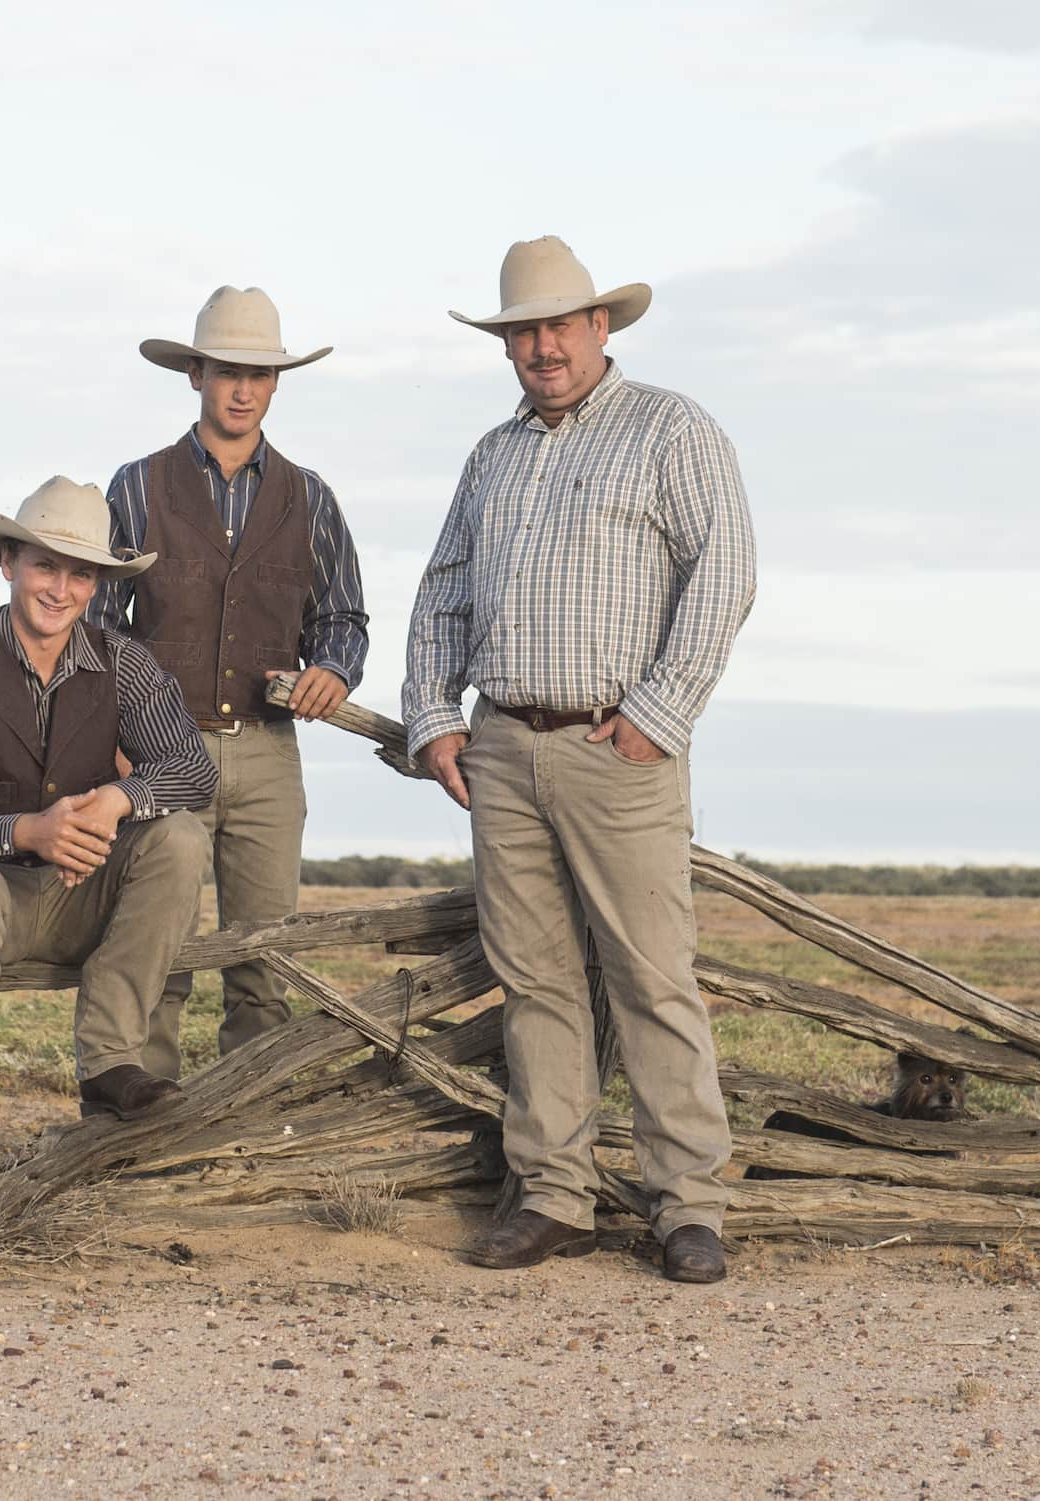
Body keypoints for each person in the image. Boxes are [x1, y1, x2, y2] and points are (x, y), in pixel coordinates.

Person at [402, 236, 756, 1283]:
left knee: (652, 977)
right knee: (536, 981)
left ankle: (688, 1204)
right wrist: (433, 714)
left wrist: (662, 707)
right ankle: (552, 1192)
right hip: (506, 747)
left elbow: (726, 571)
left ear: (602, 327)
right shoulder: (493, 455)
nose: (542, 346)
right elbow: (444, 590)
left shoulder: (671, 429)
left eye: (559, 325)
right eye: (523, 330)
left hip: (620, 743)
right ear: (506, 343)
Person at [0, 476, 217, 1182]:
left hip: (79, 901)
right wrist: (26, 832)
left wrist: (116, 798)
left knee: (181, 836)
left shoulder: (123, 662)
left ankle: (109, 1061)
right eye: (45, 565)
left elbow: (194, 769)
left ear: (98, 585)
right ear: (9, 563)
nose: (60, 588)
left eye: (80, 573)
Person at [88, 286, 368, 1079]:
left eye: (260, 373)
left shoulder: (311, 497)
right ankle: (146, 1119)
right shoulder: (137, 487)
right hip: (160, 754)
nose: (243, 389)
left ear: (277, 383)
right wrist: (110, 739)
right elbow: (98, 630)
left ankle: (248, 1119)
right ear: (195, 376)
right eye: (226, 372)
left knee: (266, 960)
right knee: (159, 952)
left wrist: (332, 672)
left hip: (269, 756)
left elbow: (344, 617)